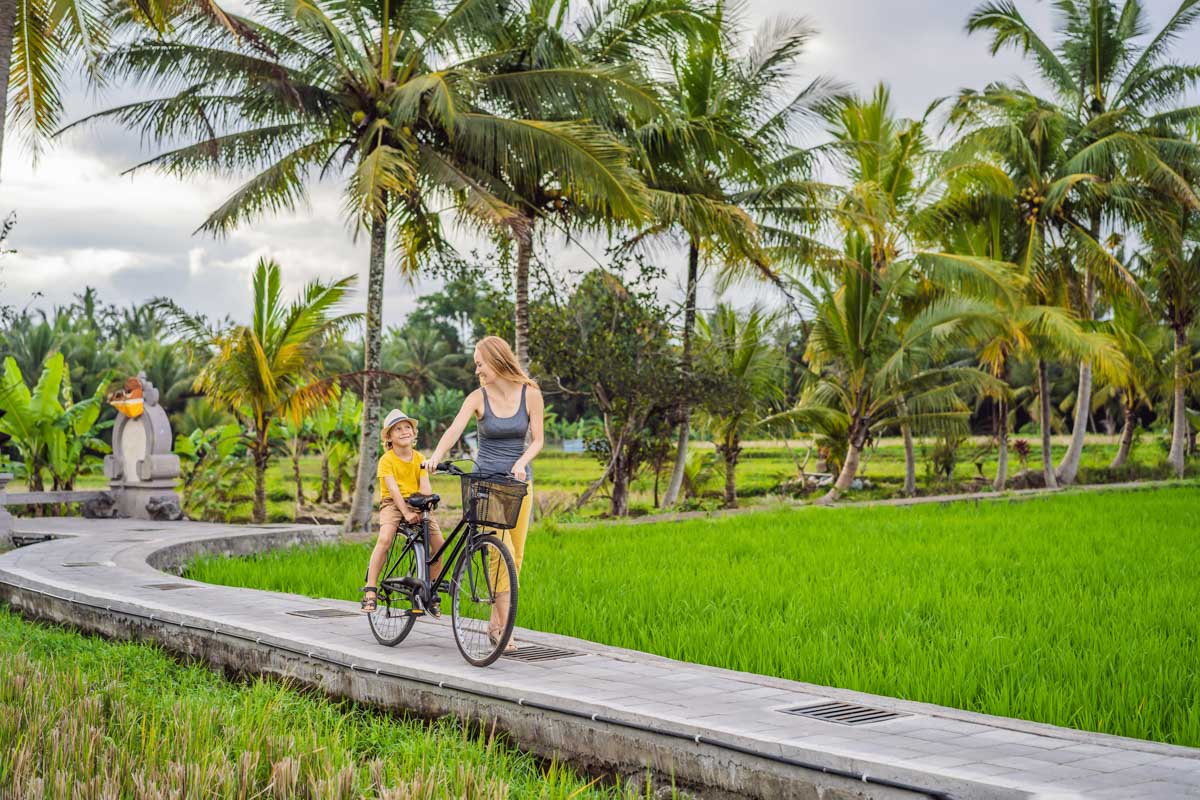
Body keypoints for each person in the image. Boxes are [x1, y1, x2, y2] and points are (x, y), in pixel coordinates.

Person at [428, 336, 544, 651]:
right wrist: (436, 456)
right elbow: (454, 429)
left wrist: (521, 463)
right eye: (476, 364)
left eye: (480, 363)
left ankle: (495, 625)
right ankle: (505, 630)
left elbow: (537, 440)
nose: (477, 369)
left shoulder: (530, 394)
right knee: (497, 552)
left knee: (514, 557)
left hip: (518, 484)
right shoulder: (477, 397)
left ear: (496, 359)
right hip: (486, 482)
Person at [361, 409, 444, 614]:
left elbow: (424, 485)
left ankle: (429, 589)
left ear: (414, 433)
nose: (404, 431)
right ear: (389, 437)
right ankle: (370, 589)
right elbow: (393, 490)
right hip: (393, 503)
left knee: (439, 546)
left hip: (417, 502)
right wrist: (405, 513)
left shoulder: (420, 458)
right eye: (398, 429)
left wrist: (426, 502)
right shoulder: (386, 460)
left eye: (408, 427)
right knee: (385, 539)